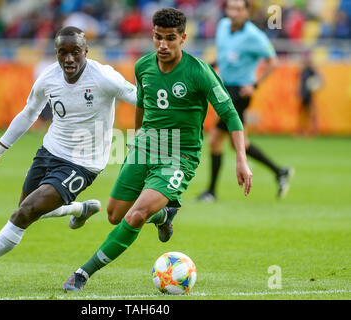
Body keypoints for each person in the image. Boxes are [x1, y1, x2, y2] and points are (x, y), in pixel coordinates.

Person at [62, 7, 253, 291]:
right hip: (144, 148)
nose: (163, 45)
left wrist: (241, 159)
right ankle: (165, 215)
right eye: (157, 37)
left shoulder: (200, 72)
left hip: (179, 155)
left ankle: (82, 273)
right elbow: (142, 102)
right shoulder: (143, 66)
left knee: (135, 216)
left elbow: (230, 115)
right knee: (114, 215)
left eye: (170, 38)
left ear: (183, 38)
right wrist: (136, 138)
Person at [0, 26, 137, 284]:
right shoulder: (48, 78)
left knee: (24, 214)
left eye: (75, 52)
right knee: (26, 210)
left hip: (83, 164)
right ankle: (80, 208)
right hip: (49, 152)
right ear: (55, 53)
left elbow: (140, 98)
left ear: (86, 52)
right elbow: (28, 113)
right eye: (62, 52)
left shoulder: (104, 77)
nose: (69, 59)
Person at [197, 0, 293, 203]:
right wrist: (211, 65)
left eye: (238, 9)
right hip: (224, 87)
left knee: (215, 140)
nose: (233, 12)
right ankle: (280, 171)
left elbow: (273, 62)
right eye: (230, 8)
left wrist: (255, 84)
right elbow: (225, 55)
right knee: (239, 143)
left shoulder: (254, 36)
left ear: (247, 11)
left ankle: (211, 192)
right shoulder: (223, 26)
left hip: (240, 92)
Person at [298, 52, 322, 136]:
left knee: (310, 112)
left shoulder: (309, 69)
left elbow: (318, 78)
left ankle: (312, 131)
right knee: (304, 113)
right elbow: (301, 83)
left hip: (308, 94)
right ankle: (303, 131)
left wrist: (315, 86)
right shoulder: (304, 69)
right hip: (303, 93)